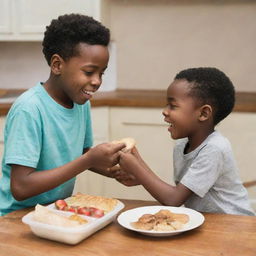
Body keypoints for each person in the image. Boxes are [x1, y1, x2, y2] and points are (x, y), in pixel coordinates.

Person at [0, 14, 136, 216]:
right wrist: (89, 160)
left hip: (53, 211)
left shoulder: (80, 103)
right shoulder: (29, 109)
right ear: (57, 65)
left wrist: (112, 171)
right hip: (15, 217)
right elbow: (21, 188)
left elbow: (80, 154)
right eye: (89, 72)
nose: (97, 81)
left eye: (102, 73)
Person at [119, 67, 255, 216]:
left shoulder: (214, 148)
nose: (164, 111)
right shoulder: (181, 146)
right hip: (209, 221)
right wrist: (137, 165)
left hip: (237, 225)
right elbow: (180, 193)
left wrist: (135, 168)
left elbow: (173, 199)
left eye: (173, 106)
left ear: (203, 113)